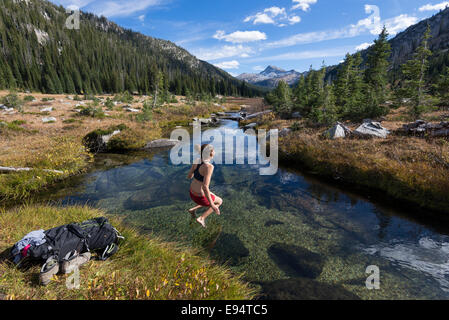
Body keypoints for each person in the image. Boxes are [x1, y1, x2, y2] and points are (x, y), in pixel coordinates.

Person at [187, 144, 223, 228]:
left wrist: (196, 173)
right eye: (213, 150)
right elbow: (205, 187)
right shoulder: (209, 167)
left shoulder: (197, 160)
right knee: (219, 201)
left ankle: (193, 210)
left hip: (192, 192)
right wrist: (213, 206)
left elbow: (189, 176)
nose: (214, 152)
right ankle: (201, 218)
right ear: (211, 153)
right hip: (199, 196)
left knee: (212, 195)